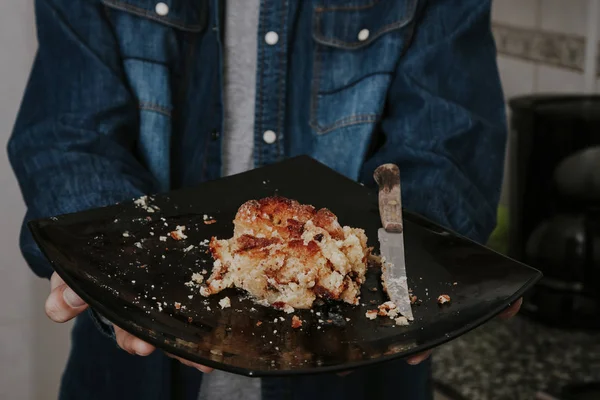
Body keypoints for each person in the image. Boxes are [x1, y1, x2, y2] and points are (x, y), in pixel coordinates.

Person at [8, 0, 521, 399]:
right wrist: (112, 264)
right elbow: (67, 131)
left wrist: (427, 262)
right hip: (132, 378)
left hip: (362, 378)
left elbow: (450, 142)